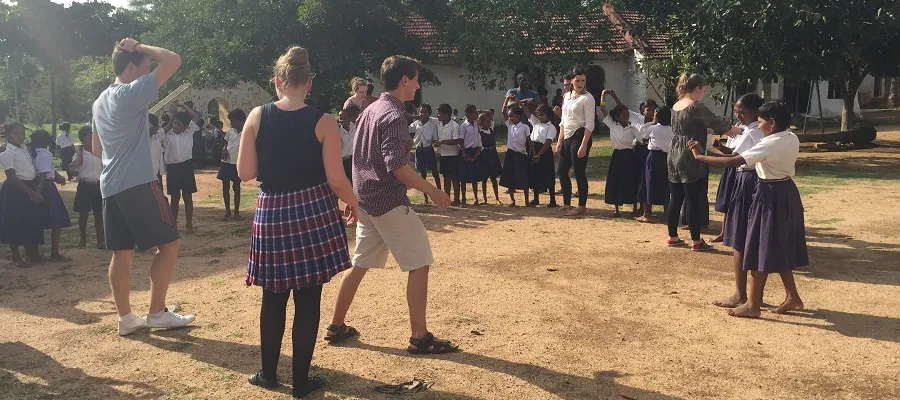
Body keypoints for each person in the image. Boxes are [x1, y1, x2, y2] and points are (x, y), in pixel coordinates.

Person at [238, 46, 357, 398]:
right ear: (309, 83)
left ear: (277, 81)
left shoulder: (257, 116)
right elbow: (337, 179)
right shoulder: (324, 122)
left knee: (273, 298)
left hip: (272, 212)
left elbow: (245, 172)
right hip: (314, 212)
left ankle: (268, 374)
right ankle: (302, 382)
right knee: (308, 300)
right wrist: (354, 204)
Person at [325, 55, 458, 356]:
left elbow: (359, 160)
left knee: (359, 264)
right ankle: (420, 337)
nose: (418, 85)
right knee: (419, 262)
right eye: (416, 79)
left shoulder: (370, 110)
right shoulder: (395, 116)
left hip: (369, 201)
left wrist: (353, 198)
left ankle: (336, 325)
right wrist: (433, 191)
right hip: (387, 202)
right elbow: (398, 167)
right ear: (404, 81)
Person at [91, 38, 193, 336]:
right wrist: (141, 46)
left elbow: (97, 148)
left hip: (110, 185)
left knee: (121, 254)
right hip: (137, 183)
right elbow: (173, 59)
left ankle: (126, 318)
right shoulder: (130, 92)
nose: (149, 70)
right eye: (145, 66)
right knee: (169, 244)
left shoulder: (99, 101)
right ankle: (157, 312)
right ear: (132, 66)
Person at [688, 100, 806, 318]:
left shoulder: (769, 143)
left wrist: (699, 157)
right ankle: (792, 297)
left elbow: (735, 162)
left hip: (771, 194)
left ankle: (752, 304)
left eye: (760, 122)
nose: (757, 126)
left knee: (758, 245)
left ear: (771, 123)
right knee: (775, 245)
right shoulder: (790, 137)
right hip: (786, 191)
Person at [665, 73, 742, 251]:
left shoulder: (676, 105)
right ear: (698, 88)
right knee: (693, 198)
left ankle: (672, 237)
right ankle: (696, 241)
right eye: (703, 90)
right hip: (691, 151)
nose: (704, 93)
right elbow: (713, 121)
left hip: (674, 151)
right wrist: (733, 130)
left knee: (675, 198)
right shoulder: (695, 106)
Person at [704, 93, 765, 307]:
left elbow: (736, 159)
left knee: (739, 238)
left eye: (742, 111)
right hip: (749, 178)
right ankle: (751, 294)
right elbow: (735, 153)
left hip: (747, 180)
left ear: (756, 112)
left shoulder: (753, 132)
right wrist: (720, 148)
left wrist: (702, 156)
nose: (738, 114)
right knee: (748, 237)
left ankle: (741, 294)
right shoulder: (751, 130)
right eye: (736, 110)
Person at [0, 122, 44, 268]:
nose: (20, 136)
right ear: (8, 135)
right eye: (16, 133)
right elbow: (12, 177)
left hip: (30, 186)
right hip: (16, 189)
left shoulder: (26, 150)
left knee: (31, 220)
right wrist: (30, 192)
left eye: (22, 133)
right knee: (14, 222)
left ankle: (32, 253)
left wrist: (36, 189)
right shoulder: (7, 153)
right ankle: (16, 257)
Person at [557, 67, 596, 216]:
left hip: (580, 136)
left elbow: (590, 124)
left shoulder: (587, 98)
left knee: (579, 172)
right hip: (567, 136)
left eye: (583, 80)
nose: (580, 83)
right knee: (561, 170)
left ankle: (581, 206)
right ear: (571, 81)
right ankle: (567, 203)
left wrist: (584, 144)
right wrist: (560, 141)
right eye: (577, 80)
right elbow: (563, 120)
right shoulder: (567, 96)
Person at [598, 90, 642, 217]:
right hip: (617, 155)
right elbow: (602, 108)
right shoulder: (612, 124)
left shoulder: (632, 127)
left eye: (627, 115)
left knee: (631, 180)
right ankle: (616, 209)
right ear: (617, 117)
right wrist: (603, 95)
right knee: (616, 180)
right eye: (624, 115)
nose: (627, 117)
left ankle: (634, 207)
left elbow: (640, 139)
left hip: (629, 156)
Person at [31, 130, 72, 261]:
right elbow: (44, 174)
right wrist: (40, 188)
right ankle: (55, 253)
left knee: (36, 219)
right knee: (56, 220)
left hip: (33, 185)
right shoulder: (46, 154)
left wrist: (56, 177)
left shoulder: (31, 153)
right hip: (46, 187)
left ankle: (34, 253)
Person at [162, 101, 202, 233]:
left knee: (187, 197)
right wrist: (173, 113)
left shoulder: (189, 132)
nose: (175, 126)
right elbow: (166, 127)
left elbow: (194, 117)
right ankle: (173, 224)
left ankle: (189, 224)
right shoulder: (167, 134)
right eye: (174, 123)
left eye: (179, 124)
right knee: (174, 198)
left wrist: (183, 106)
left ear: (185, 126)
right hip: (172, 168)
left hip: (186, 167)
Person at [68, 125, 105, 249]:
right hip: (84, 186)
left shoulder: (101, 152)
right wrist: (72, 169)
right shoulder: (79, 155)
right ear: (83, 140)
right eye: (89, 138)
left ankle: (100, 240)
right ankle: (83, 237)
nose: (93, 140)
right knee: (83, 214)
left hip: (98, 186)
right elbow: (73, 171)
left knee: (99, 214)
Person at [636, 107, 674, 222]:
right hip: (667, 158)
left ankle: (647, 214)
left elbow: (643, 138)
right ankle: (666, 213)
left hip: (653, 157)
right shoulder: (672, 130)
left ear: (656, 117)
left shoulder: (652, 128)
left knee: (649, 183)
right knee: (665, 184)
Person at [217, 109, 246, 220]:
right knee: (225, 187)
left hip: (237, 163)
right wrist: (224, 149)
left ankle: (237, 211)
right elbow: (226, 143)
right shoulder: (230, 132)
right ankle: (227, 210)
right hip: (227, 162)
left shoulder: (246, 132)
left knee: (236, 187)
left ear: (240, 121)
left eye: (233, 121)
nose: (231, 124)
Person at [409, 103, 441, 204]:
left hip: (428, 149)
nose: (423, 114)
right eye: (421, 112)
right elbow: (408, 130)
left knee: (435, 173)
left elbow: (435, 139)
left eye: (425, 112)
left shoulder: (432, 125)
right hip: (419, 150)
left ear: (429, 113)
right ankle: (425, 198)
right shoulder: (416, 124)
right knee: (423, 175)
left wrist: (437, 143)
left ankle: (439, 194)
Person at [527, 103, 558, 207]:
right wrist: (520, 102)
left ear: (548, 115)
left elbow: (548, 142)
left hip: (544, 151)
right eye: (538, 115)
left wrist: (539, 154)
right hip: (533, 149)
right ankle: (536, 198)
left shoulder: (551, 127)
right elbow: (527, 112)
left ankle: (552, 200)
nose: (540, 117)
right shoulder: (536, 123)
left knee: (548, 174)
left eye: (542, 115)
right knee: (535, 174)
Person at [500, 106, 531, 206]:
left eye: (512, 116)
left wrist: (534, 153)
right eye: (509, 116)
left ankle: (526, 201)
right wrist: (508, 99)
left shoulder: (525, 127)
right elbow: (502, 111)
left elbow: (529, 141)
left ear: (518, 116)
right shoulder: (510, 125)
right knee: (510, 178)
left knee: (523, 177)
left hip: (521, 154)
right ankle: (513, 200)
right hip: (510, 154)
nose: (510, 118)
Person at [634, 100, 658, 216]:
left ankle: (647, 207)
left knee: (647, 180)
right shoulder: (638, 120)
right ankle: (638, 206)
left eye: (653, 110)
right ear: (642, 111)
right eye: (648, 109)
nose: (651, 112)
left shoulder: (657, 124)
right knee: (637, 178)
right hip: (638, 152)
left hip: (649, 152)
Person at [434, 103, 461, 206]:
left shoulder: (454, 125)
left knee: (454, 178)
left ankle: (457, 199)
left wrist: (442, 142)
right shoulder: (439, 124)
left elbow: (456, 140)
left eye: (439, 114)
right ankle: (447, 198)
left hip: (452, 155)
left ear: (446, 115)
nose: (437, 116)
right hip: (443, 155)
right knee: (446, 177)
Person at [457, 104, 483, 206]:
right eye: (473, 112)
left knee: (474, 177)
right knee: (463, 177)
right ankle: (463, 199)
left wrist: (476, 153)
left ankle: (476, 198)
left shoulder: (476, 125)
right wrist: (464, 154)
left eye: (476, 112)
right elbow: (461, 141)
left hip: (474, 151)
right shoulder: (463, 126)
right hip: (465, 151)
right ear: (467, 114)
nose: (476, 114)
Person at [478, 111, 503, 205]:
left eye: (489, 121)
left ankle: (497, 198)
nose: (489, 122)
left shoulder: (491, 129)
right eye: (486, 121)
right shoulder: (480, 132)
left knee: (493, 178)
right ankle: (485, 199)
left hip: (493, 155)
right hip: (484, 155)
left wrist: (482, 111)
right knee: (484, 178)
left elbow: (490, 113)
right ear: (481, 122)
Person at [339, 104, 361, 183]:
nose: (342, 120)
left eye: (345, 118)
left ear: (349, 118)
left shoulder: (355, 128)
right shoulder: (338, 132)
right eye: (340, 118)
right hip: (343, 161)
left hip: (353, 159)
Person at [149, 114, 165, 185]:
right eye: (156, 126)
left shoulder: (155, 138)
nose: (158, 127)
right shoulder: (144, 140)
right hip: (148, 177)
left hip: (157, 173)